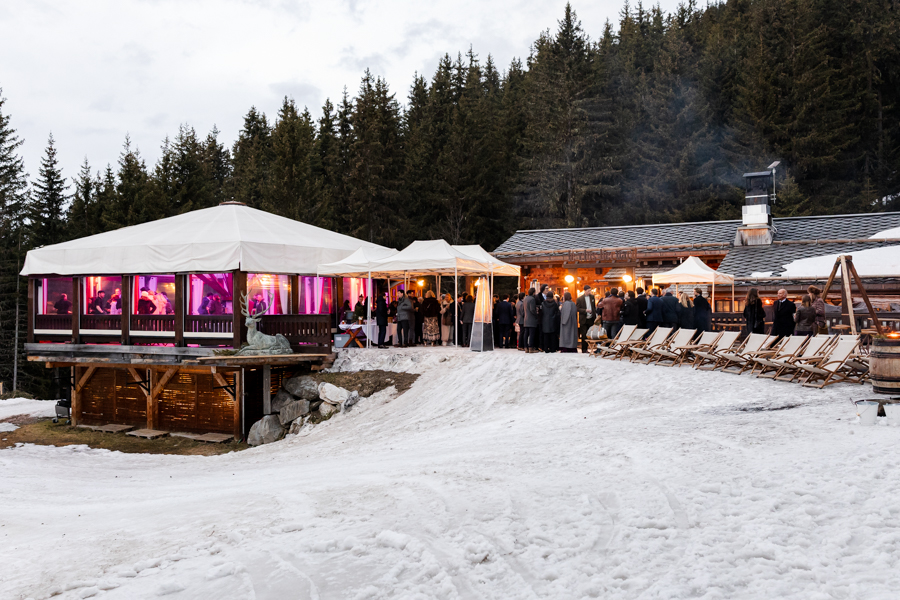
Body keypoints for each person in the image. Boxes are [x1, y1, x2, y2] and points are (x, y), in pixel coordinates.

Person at [575, 284, 596, 353]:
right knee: (584, 334)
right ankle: (584, 349)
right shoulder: (580, 299)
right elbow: (577, 308)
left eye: (590, 290)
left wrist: (594, 314)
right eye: (588, 291)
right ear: (584, 291)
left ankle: (588, 347)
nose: (589, 292)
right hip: (583, 318)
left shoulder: (592, 297)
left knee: (589, 334)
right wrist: (585, 310)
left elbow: (593, 307)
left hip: (590, 318)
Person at [523, 288, 539, 353]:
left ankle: (526, 347)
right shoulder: (532, 299)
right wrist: (536, 314)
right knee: (532, 334)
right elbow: (532, 309)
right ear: (533, 293)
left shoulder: (525, 298)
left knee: (526, 334)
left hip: (526, 318)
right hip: (531, 319)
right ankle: (531, 348)